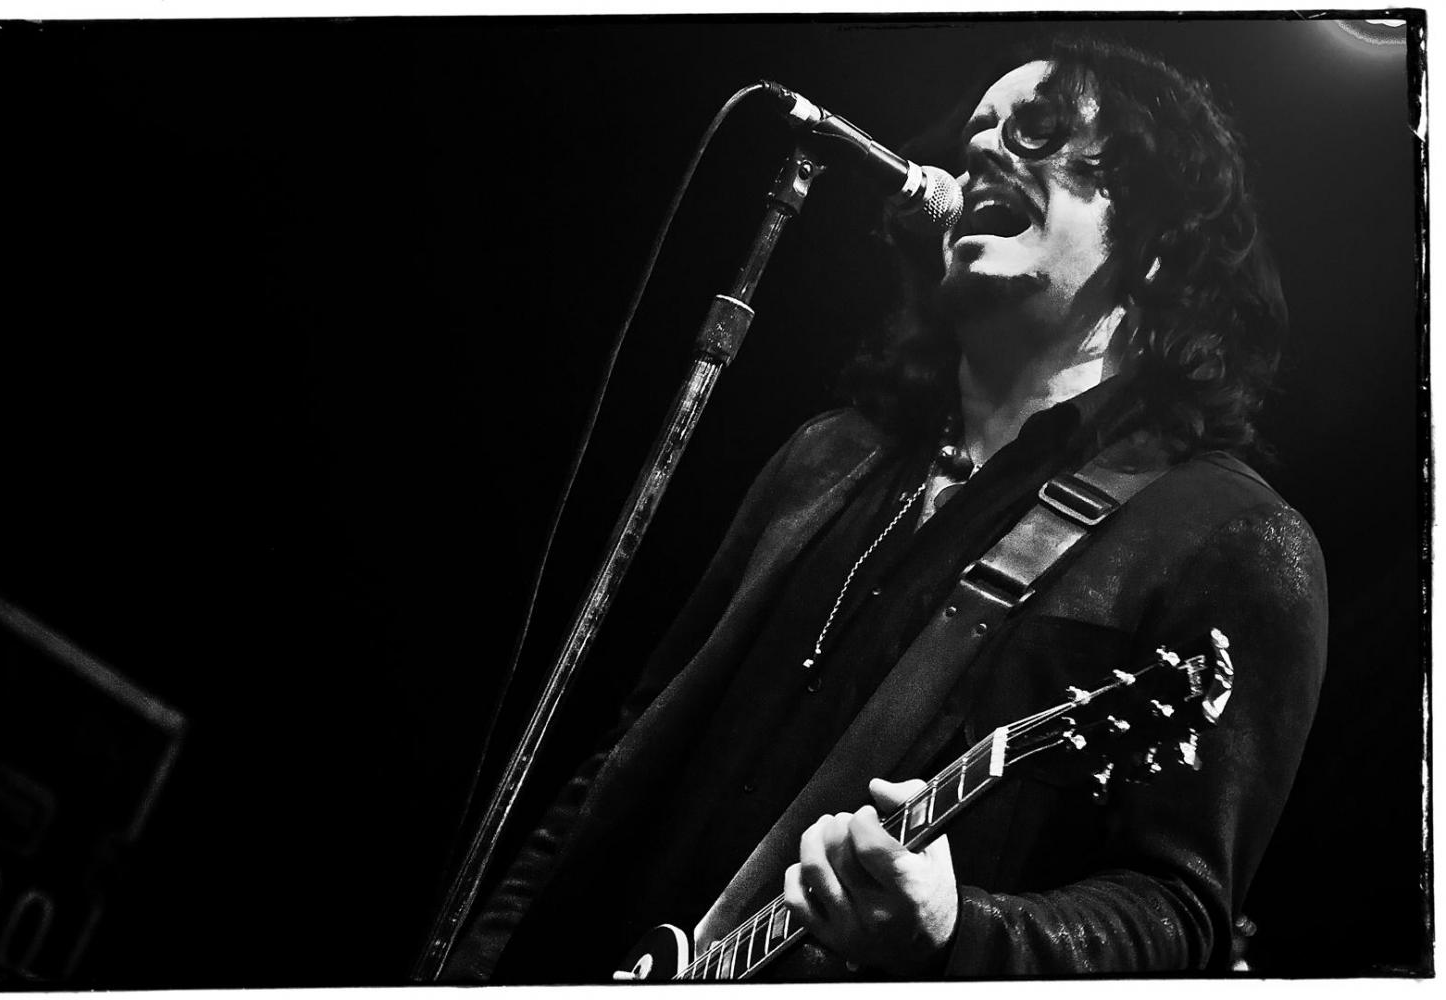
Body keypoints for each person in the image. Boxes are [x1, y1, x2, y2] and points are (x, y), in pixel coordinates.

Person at [444, 34, 1327, 982]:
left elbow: (1177, 911)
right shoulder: (829, 455)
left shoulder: (1223, 536)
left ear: (1160, 246)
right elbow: (624, 758)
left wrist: (955, 932)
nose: (981, 149)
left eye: (1039, 132)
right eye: (979, 130)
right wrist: (476, 967)